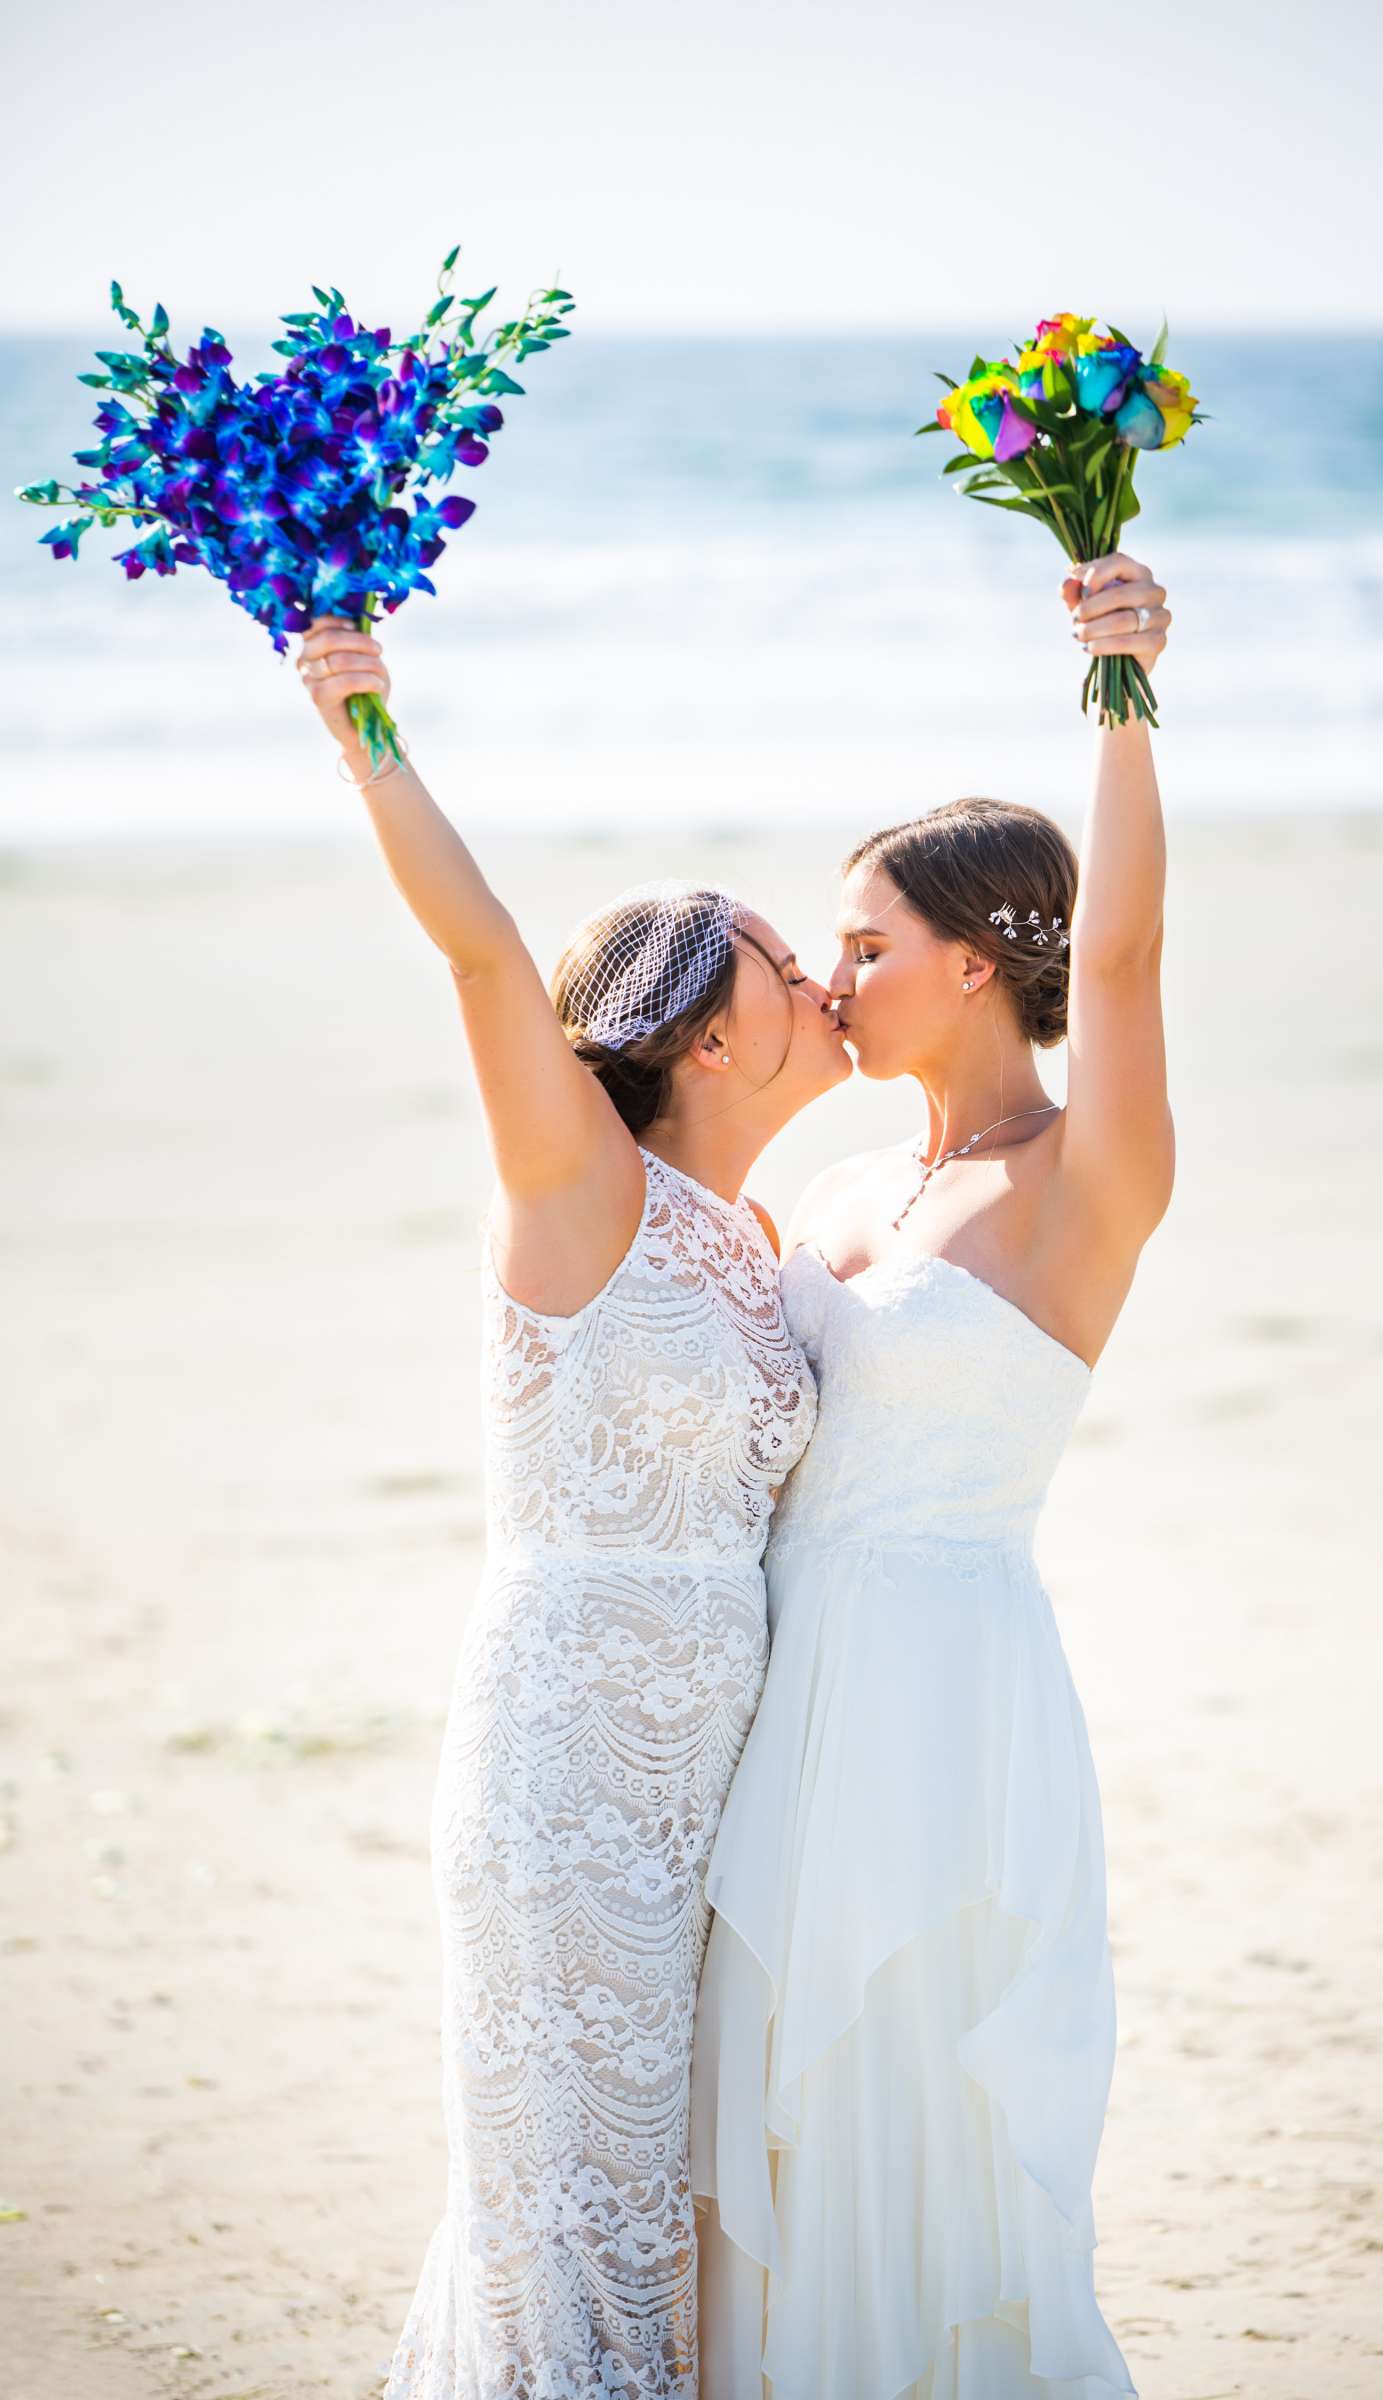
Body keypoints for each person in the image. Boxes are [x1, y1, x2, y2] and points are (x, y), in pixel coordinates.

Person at [292, 613, 851, 2398]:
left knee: (670, 2200)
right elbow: (478, 966)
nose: (815, 972)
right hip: (567, 1768)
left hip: (711, 1786)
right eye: (775, 955)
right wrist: (365, 723)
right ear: (693, 1028)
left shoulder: (760, 1241)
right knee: (572, 2204)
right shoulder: (579, 1186)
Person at [690, 553, 1174, 2399]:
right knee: (777, 2113)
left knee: (914, 2095)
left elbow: (1121, 957)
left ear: (982, 961)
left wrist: (1123, 692)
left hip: (947, 1696)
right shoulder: (832, 1194)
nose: (834, 974)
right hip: (782, 1685)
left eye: (871, 945)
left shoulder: (1079, 1184)